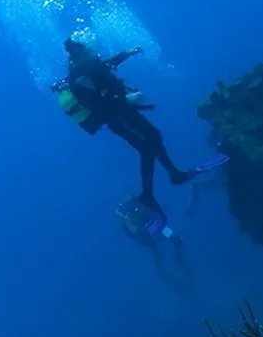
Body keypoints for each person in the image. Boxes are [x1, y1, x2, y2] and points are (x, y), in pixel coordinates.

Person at [50, 37, 229, 214]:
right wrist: (125, 98)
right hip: (115, 117)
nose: (91, 50)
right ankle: (150, 193)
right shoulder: (78, 78)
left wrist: (127, 53)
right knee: (147, 147)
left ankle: (174, 175)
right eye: (87, 49)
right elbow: (95, 104)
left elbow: (106, 66)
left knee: (154, 136)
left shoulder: (88, 66)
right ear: (78, 53)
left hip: (123, 111)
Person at [116, 195, 192, 294]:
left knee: (165, 247)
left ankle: (170, 270)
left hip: (152, 232)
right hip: (152, 233)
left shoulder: (131, 212)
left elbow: (133, 234)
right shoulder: (130, 214)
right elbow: (158, 210)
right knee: (164, 247)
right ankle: (170, 273)